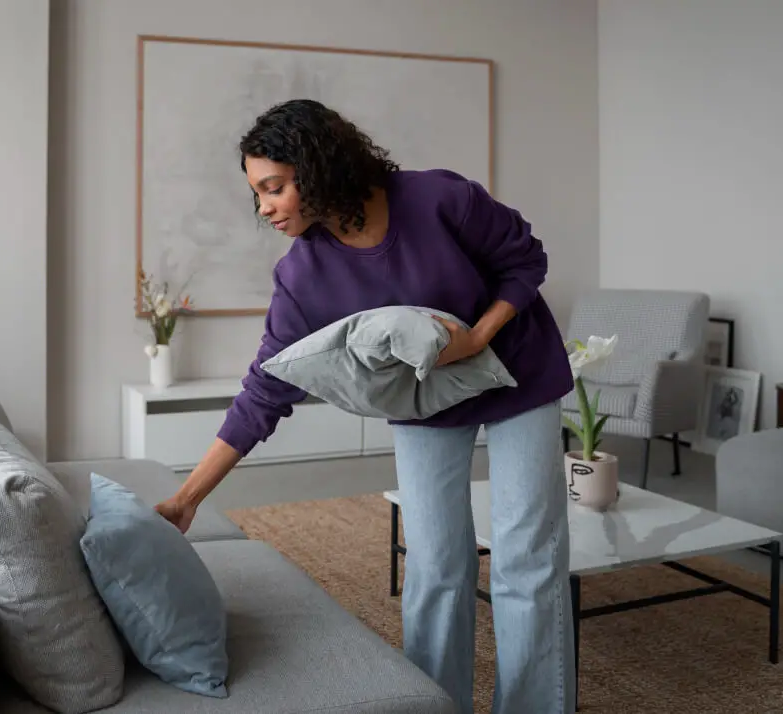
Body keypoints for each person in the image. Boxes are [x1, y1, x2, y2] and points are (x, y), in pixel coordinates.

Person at [155, 98, 576, 714]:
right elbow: (264, 391)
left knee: (527, 559)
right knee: (435, 566)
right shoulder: (303, 276)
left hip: (521, 375)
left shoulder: (438, 199)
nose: (264, 207)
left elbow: (525, 260)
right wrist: (185, 499)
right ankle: (436, 703)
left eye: (273, 188)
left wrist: (478, 338)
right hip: (427, 402)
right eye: (258, 194)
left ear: (317, 167)